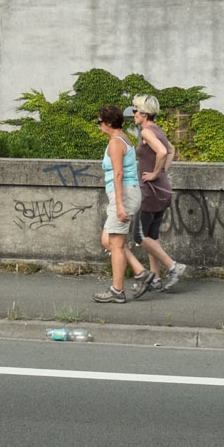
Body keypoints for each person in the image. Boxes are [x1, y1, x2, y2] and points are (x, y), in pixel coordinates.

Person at [127, 95, 188, 296]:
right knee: (151, 236)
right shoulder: (157, 129)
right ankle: (156, 278)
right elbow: (171, 150)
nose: (133, 114)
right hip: (162, 189)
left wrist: (154, 174)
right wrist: (162, 173)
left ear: (144, 113)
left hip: (150, 191)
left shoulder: (146, 131)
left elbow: (162, 151)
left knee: (139, 235)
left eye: (135, 110)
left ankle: (173, 267)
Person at [92, 104, 147, 303]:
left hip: (122, 195)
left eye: (99, 122)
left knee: (116, 245)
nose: (98, 126)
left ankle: (117, 291)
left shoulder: (116, 142)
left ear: (108, 123)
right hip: (126, 193)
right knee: (108, 240)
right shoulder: (124, 138)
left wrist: (120, 205)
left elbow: (118, 174)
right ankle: (141, 272)